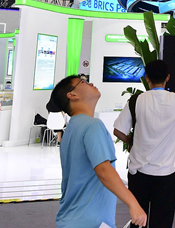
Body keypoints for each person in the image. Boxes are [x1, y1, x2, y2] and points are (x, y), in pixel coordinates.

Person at [48, 75, 147, 228]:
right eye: (83, 82)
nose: (91, 83)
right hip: (89, 221)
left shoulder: (72, 127)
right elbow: (103, 170)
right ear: (72, 95)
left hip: (71, 218)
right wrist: (133, 204)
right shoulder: (92, 125)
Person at [113, 60, 175, 228]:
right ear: (167, 77)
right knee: (162, 221)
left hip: (139, 172)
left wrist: (131, 141)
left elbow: (118, 131)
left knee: (138, 219)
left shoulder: (136, 100)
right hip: (166, 172)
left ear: (147, 78)